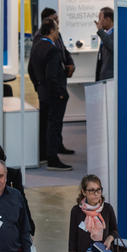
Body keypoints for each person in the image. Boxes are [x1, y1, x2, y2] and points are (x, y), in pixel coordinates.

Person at [28, 20, 73, 171]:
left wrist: (38, 87)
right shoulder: (52, 50)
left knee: (44, 124)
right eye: (57, 29)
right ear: (52, 31)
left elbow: (30, 70)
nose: (58, 31)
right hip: (53, 95)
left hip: (43, 93)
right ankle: (53, 160)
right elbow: (52, 75)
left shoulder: (36, 46)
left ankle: (43, 155)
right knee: (54, 125)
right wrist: (59, 93)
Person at [35, 8, 76, 155]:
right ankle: (49, 153)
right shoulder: (40, 38)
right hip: (50, 89)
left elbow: (64, 51)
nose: (57, 20)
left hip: (56, 85)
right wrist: (41, 86)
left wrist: (71, 64)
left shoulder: (57, 35)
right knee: (50, 121)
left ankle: (57, 146)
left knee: (55, 122)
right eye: (55, 18)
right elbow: (38, 67)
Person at [94, 7, 114, 82]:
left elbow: (112, 47)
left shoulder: (116, 33)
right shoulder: (107, 34)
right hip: (103, 77)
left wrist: (101, 31)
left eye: (100, 19)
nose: (98, 22)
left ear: (108, 19)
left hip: (110, 78)